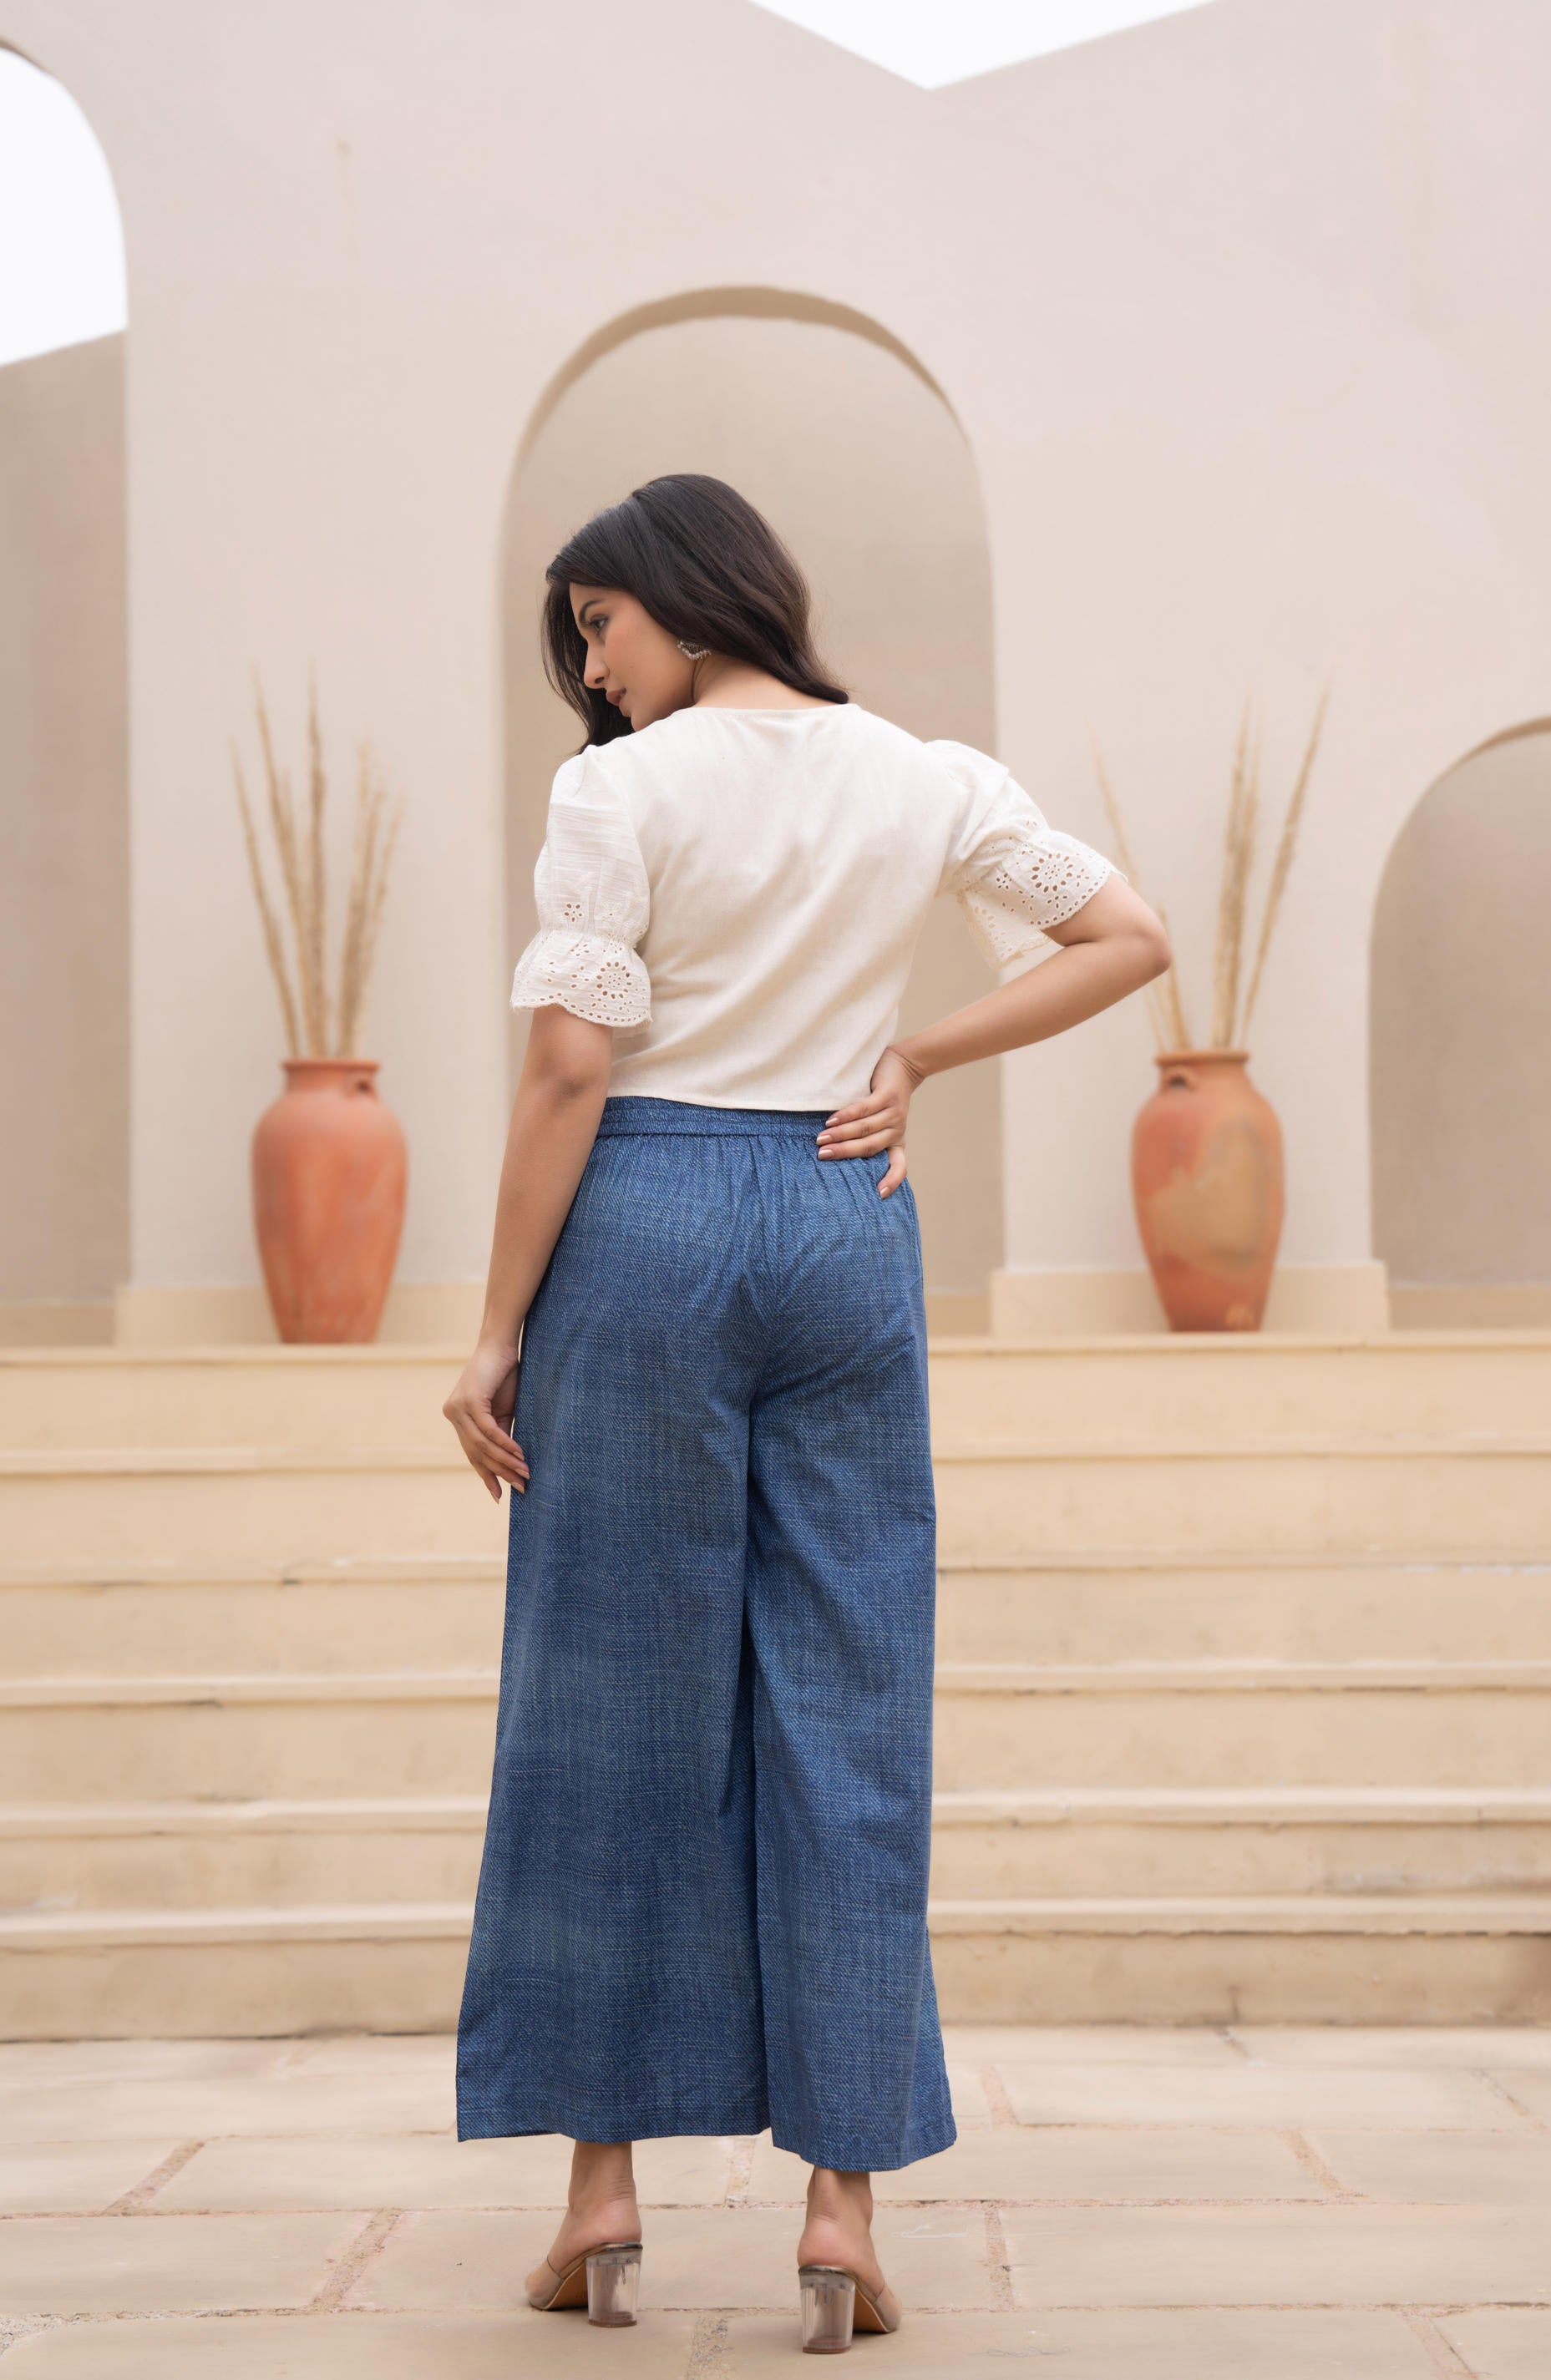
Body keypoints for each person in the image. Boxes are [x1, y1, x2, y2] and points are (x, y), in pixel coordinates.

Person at [444, 473, 1170, 2352]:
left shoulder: (618, 792)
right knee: (846, 1698)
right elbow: (1126, 935)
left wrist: (492, 1325)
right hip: (847, 1220)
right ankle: (839, 2218)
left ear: (689, 603)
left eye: (598, 626)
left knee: (609, 1698)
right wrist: (914, 1050)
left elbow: (565, 1065)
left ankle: (599, 2199)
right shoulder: (922, 772)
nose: (591, 676)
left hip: (653, 1220)